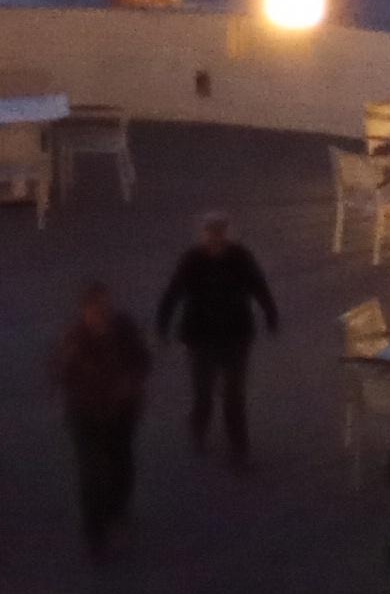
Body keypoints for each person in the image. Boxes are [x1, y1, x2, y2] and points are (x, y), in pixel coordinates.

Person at [154, 211, 281, 469]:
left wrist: (270, 314)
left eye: (219, 232)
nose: (215, 238)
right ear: (204, 235)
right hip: (201, 338)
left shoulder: (240, 257)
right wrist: (162, 324)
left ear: (226, 233)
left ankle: (238, 447)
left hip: (235, 336)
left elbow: (259, 286)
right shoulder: (192, 261)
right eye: (211, 233)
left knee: (234, 395)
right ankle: (199, 429)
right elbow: (173, 292)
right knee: (203, 393)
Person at [47, 278, 153, 558]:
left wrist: (130, 384)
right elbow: (57, 371)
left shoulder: (124, 329)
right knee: (91, 473)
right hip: (86, 415)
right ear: (84, 311)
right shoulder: (74, 338)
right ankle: (95, 534)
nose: (99, 315)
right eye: (94, 310)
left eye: (104, 308)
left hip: (120, 412)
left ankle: (118, 506)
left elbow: (144, 361)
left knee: (121, 463)